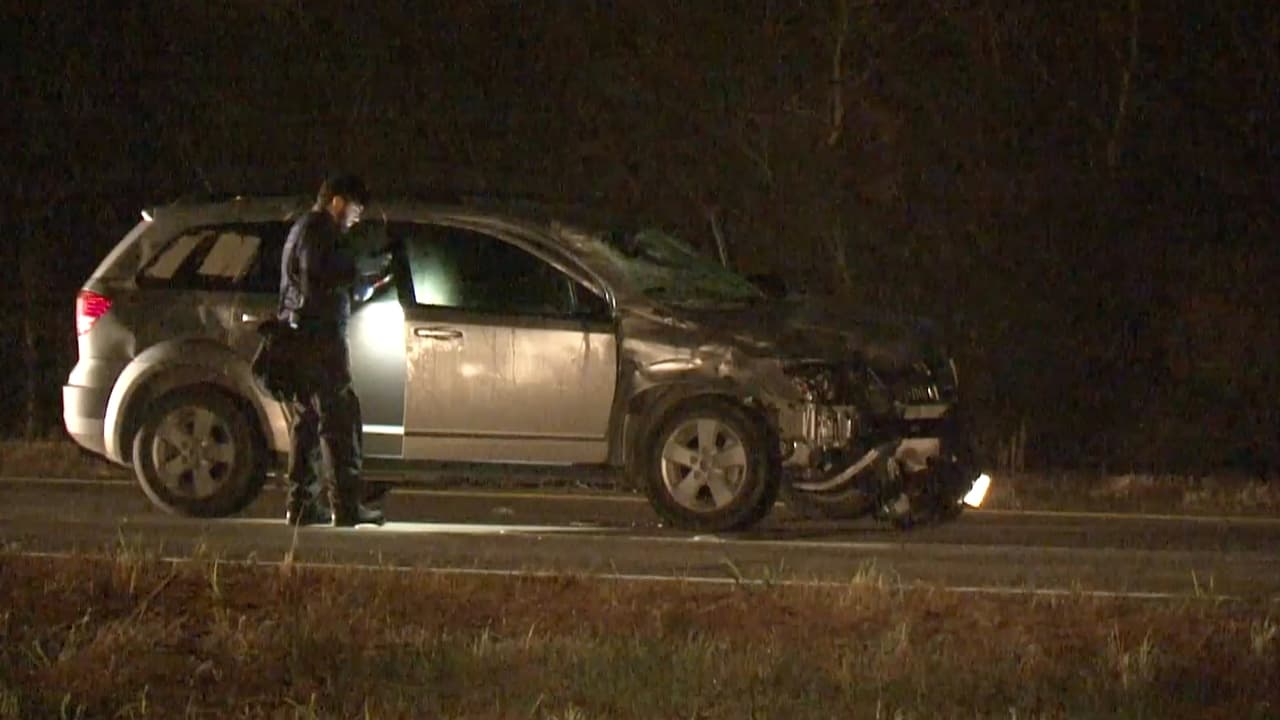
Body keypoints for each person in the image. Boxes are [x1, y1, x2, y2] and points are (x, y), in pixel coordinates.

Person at [278, 173, 385, 527]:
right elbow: (321, 281)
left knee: (306, 421)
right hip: (322, 339)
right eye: (356, 208)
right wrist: (358, 286)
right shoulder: (322, 231)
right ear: (338, 201)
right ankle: (346, 506)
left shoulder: (300, 229)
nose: (356, 217)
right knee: (337, 418)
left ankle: (301, 504)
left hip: (301, 337)